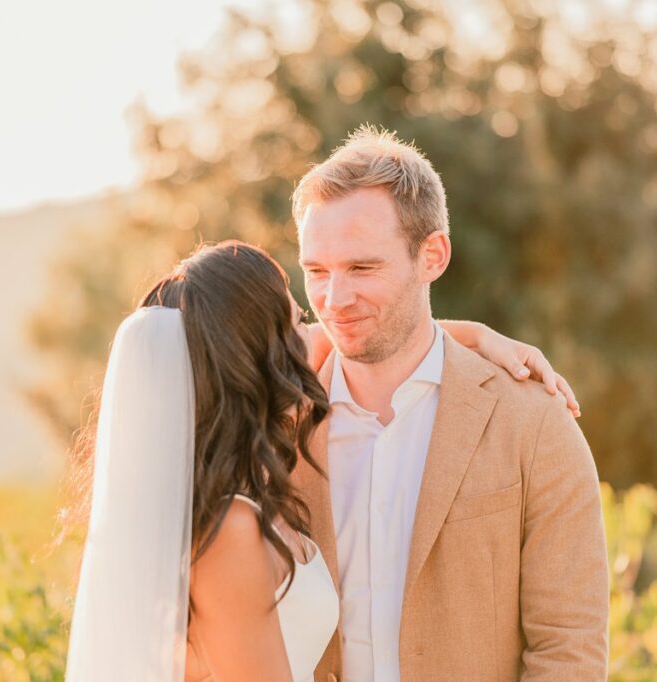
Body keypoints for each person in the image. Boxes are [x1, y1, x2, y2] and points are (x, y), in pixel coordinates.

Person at [63, 241, 575, 681]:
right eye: (297, 321)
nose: (314, 335)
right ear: (258, 358)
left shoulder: (240, 494)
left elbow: (376, 338)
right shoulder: (229, 529)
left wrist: (475, 336)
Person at [290, 127, 609, 681]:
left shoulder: (533, 422)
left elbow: (569, 650)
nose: (334, 300)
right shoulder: (273, 423)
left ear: (432, 255)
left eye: (362, 268)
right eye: (317, 271)